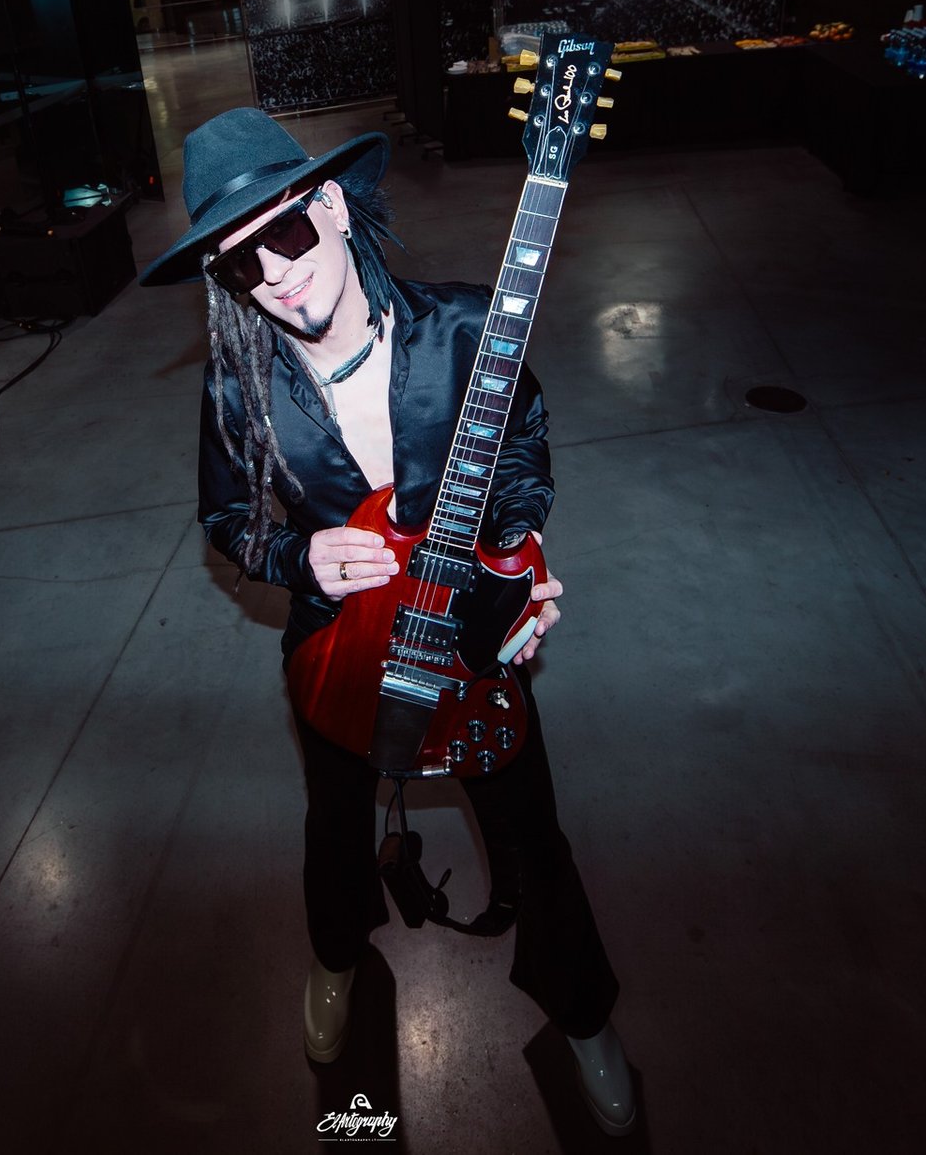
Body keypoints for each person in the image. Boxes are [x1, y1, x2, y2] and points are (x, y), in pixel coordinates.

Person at [139, 108, 634, 1137]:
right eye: (237, 268)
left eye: (282, 236)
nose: (271, 277)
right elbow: (227, 516)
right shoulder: (241, 385)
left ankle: (581, 1012)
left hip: (467, 638)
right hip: (338, 649)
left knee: (533, 841)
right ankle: (336, 957)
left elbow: (527, 452)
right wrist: (296, 555)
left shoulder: (466, 331)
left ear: (329, 208)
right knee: (335, 825)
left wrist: (517, 556)